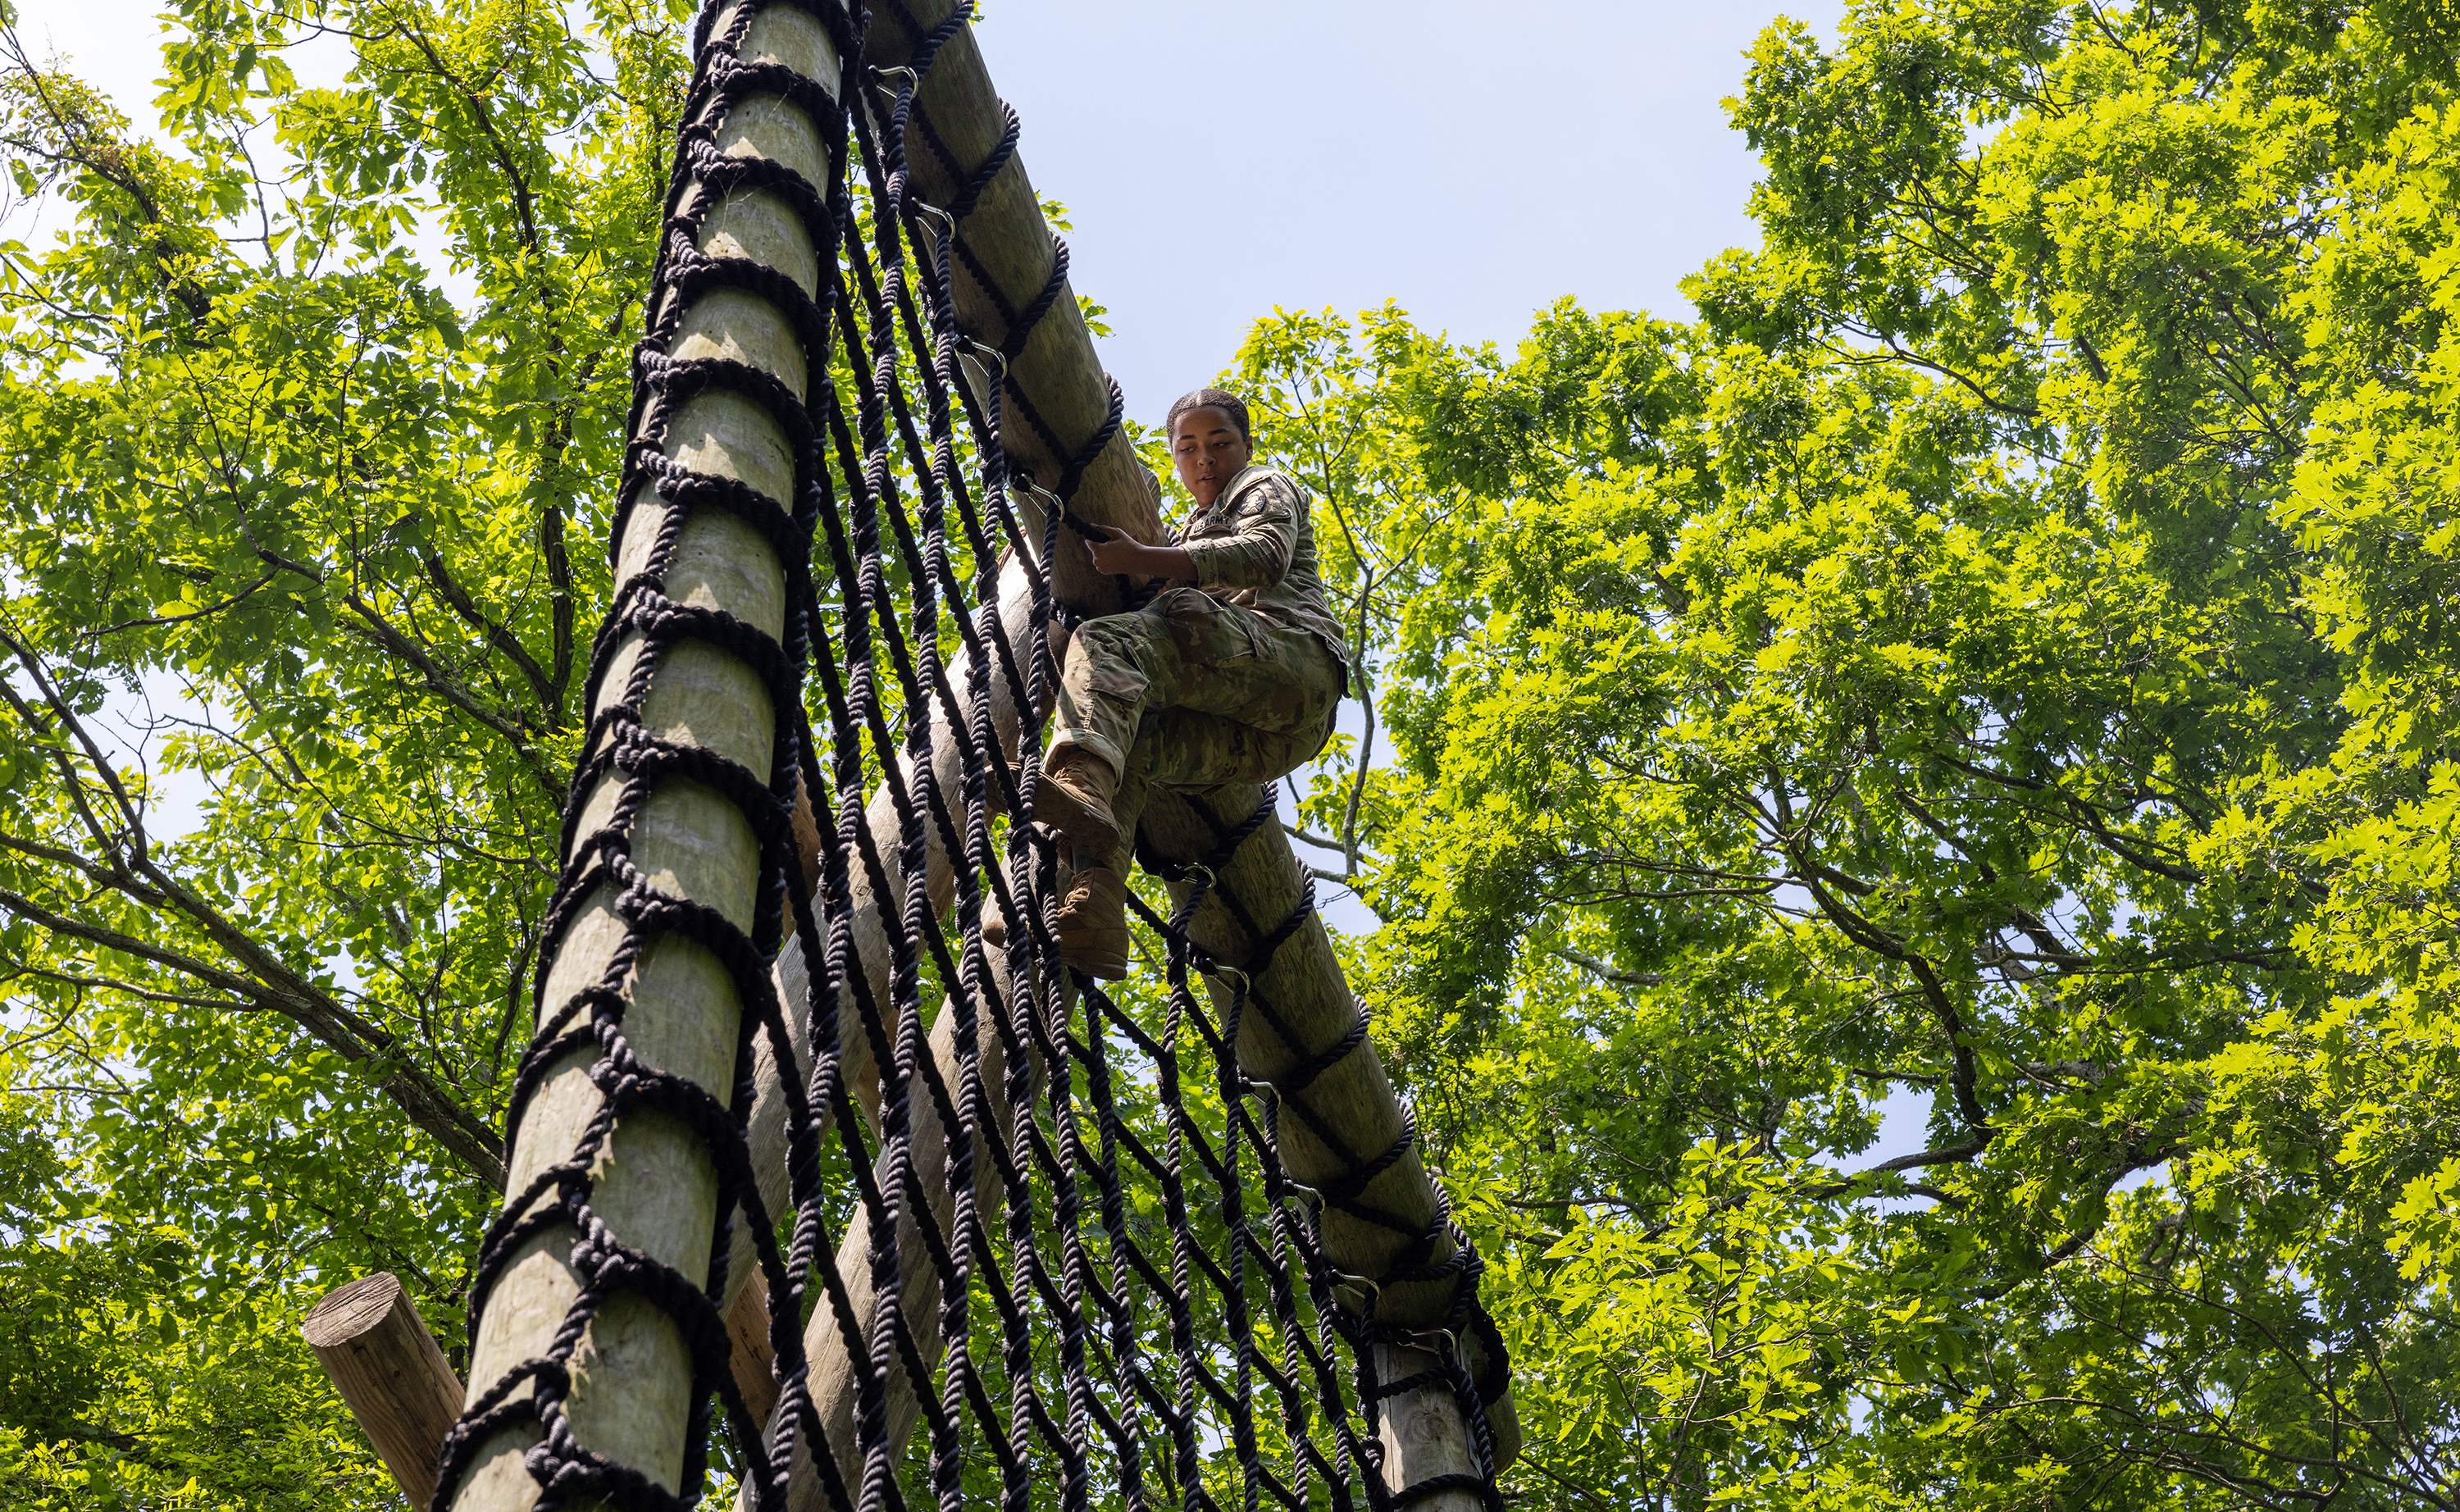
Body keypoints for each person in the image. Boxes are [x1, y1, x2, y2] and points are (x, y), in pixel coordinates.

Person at [1030, 387, 1351, 977]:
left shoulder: (1262, 484)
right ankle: (1088, 903)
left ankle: (1079, 782)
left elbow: (1264, 554)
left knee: (1106, 642)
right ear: (1176, 461)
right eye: (1188, 448)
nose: (1204, 458)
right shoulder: (1186, 531)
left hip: (1294, 661)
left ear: (1246, 447)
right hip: (1273, 736)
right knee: (1135, 747)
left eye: (1220, 442)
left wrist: (1146, 560)